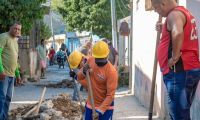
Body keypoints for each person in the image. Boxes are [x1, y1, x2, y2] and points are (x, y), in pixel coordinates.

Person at [152, 0, 200, 119]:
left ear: (163, 3)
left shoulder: (173, 15)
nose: (155, 11)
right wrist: (165, 27)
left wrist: (174, 57)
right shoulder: (183, 12)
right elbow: (181, 29)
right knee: (182, 111)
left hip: (179, 72)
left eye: (156, 8)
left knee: (178, 115)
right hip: (189, 69)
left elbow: (178, 33)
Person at [77, 41, 118, 120]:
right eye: (97, 59)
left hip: (106, 109)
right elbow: (80, 77)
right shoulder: (90, 61)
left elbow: (110, 95)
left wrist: (99, 111)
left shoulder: (111, 72)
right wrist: (83, 72)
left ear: (107, 56)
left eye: (101, 59)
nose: (99, 62)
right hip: (90, 106)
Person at [0, 21, 22, 120]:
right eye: (15, 28)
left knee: (8, 98)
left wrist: (17, 74)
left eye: (19, 29)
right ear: (10, 27)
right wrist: (1, 70)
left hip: (12, 75)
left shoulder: (15, 42)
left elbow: (15, 60)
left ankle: (4, 117)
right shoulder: (4, 37)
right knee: (1, 98)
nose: (17, 30)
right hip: (3, 74)